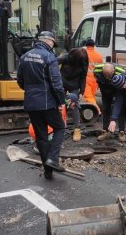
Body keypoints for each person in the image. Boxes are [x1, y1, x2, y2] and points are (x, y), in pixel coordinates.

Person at [17, 31, 66, 180]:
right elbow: (57, 84)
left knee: (41, 136)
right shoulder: (49, 57)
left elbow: (20, 80)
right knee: (59, 127)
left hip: (31, 103)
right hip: (47, 103)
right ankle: (53, 158)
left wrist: (31, 91)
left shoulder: (24, 57)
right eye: (53, 44)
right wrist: (61, 101)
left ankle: (48, 172)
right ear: (50, 42)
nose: (53, 46)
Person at [57, 47, 88, 141]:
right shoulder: (66, 57)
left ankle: (77, 129)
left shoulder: (83, 63)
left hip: (74, 85)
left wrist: (82, 92)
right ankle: (59, 128)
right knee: (60, 105)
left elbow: (83, 78)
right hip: (61, 83)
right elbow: (52, 63)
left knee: (75, 105)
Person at [94, 63, 126, 142]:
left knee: (120, 109)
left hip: (117, 89)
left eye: (109, 75)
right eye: (105, 75)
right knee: (106, 109)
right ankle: (105, 131)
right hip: (105, 89)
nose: (108, 77)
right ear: (102, 71)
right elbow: (97, 79)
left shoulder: (121, 71)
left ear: (113, 71)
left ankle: (121, 132)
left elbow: (124, 82)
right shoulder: (96, 69)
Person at [83, 39, 103, 106]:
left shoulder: (83, 54)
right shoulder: (99, 56)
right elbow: (100, 69)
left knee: (89, 97)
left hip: (86, 79)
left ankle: (97, 110)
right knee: (92, 96)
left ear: (86, 45)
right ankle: (91, 109)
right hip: (95, 80)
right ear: (94, 45)